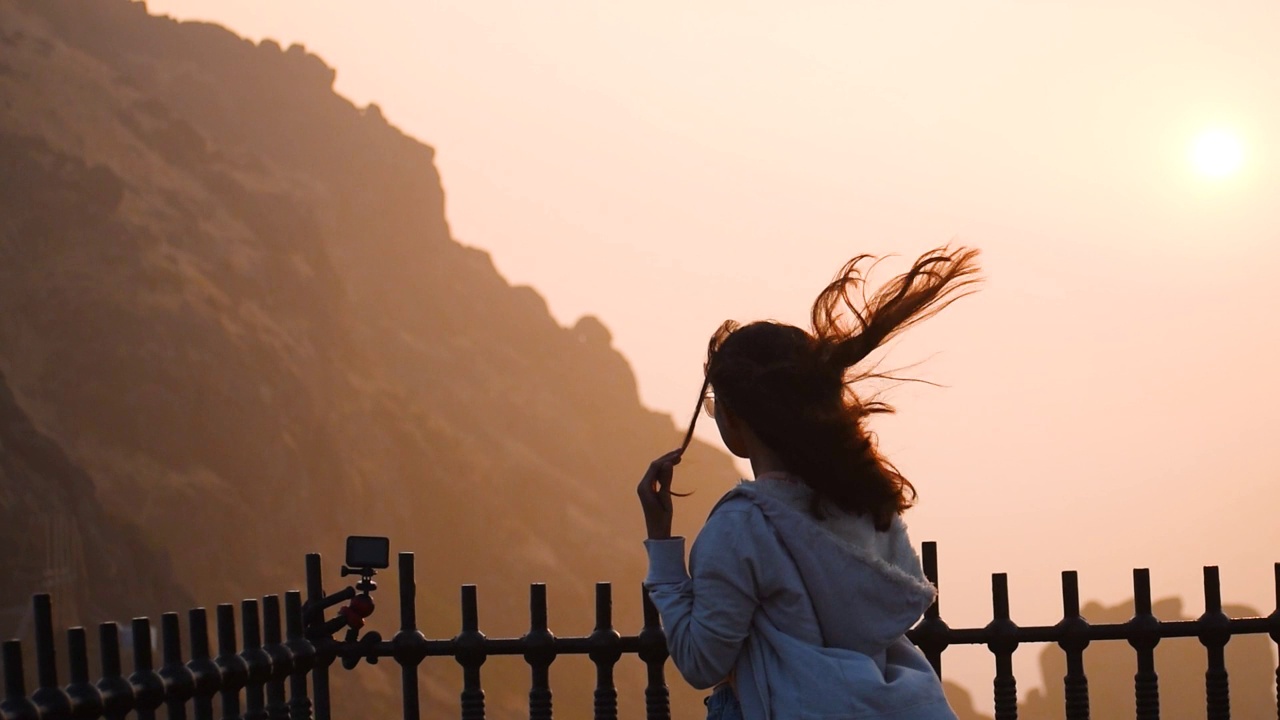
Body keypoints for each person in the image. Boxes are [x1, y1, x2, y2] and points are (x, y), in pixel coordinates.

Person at [637, 246, 980, 720]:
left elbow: (701, 660)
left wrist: (663, 551)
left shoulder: (742, 527)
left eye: (716, 405)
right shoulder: (867, 504)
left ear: (738, 418)